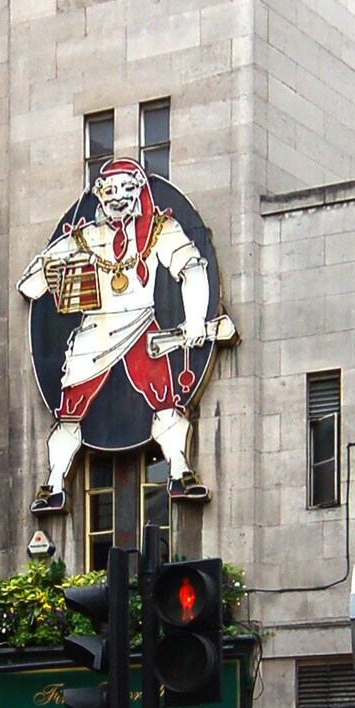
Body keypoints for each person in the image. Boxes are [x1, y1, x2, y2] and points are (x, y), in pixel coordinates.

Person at [18, 159, 234, 511]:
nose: (118, 198)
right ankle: (54, 483)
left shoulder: (159, 230)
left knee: (164, 397)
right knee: (70, 409)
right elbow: (31, 284)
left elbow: (192, 269)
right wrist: (47, 271)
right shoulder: (86, 237)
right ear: (100, 195)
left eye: (125, 189)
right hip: (95, 330)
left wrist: (196, 318)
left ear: (138, 190)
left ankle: (179, 471)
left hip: (141, 326)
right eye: (110, 190)